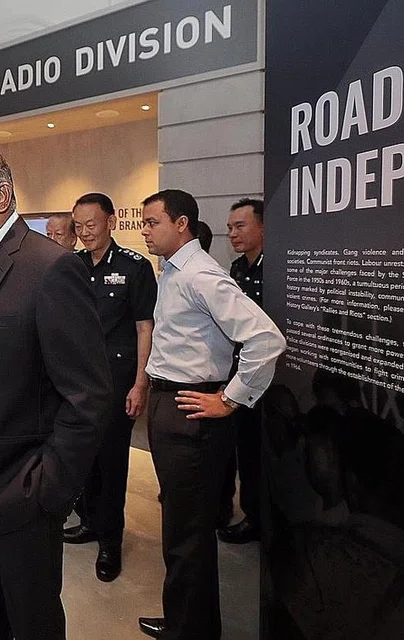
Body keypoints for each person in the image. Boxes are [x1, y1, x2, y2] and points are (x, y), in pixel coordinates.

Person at [0, 142, 112, 640]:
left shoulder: (50, 268)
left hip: (23, 494)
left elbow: (88, 396)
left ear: (4, 196)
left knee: (31, 621)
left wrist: (49, 490)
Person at [136, 189, 285, 640]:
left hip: (192, 412)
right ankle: (187, 619)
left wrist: (231, 399)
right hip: (169, 403)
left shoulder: (203, 276)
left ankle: (191, 630)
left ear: (181, 224)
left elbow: (266, 339)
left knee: (188, 533)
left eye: (152, 222)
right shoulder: (174, 273)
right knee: (181, 526)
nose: (144, 230)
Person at [64, 193, 156, 584]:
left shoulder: (135, 267)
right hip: (77, 384)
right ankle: (88, 522)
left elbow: (144, 328)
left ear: (111, 221)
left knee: (112, 464)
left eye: (92, 225)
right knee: (81, 459)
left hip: (117, 384)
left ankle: (110, 543)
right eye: (79, 227)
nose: (85, 233)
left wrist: (141, 383)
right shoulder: (72, 265)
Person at [219, 198, 265, 544]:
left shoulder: (277, 268)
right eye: (230, 227)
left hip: (270, 375)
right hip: (240, 374)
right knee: (246, 448)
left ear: (263, 226)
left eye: (240, 226)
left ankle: (265, 515)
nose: (232, 233)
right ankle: (251, 513)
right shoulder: (237, 270)